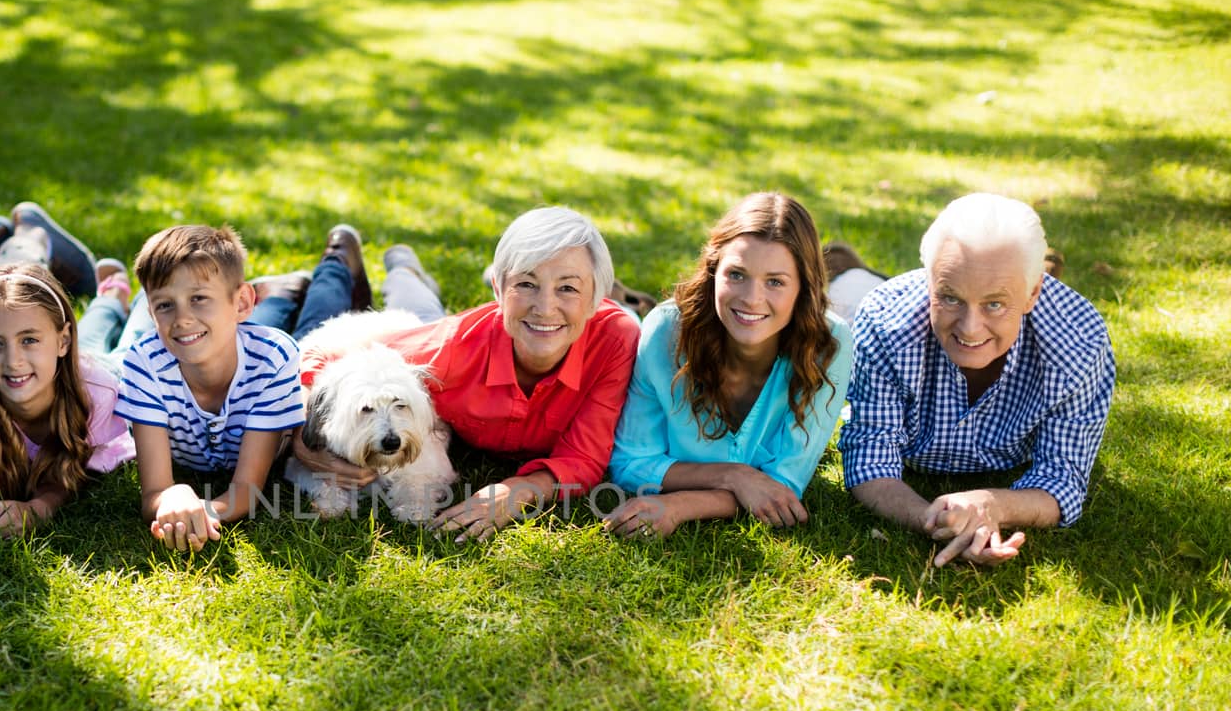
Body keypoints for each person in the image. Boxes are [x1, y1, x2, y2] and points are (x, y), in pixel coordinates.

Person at [292, 206, 641, 542]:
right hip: (428, 331)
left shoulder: (614, 340)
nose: (545, 308)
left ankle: (405, 269)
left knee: (422, 307)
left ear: (596, 298)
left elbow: (584, 457)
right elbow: (319, 355)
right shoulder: (449, 348)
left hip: (436, 329)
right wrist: (305, 443)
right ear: (498, 290)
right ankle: (357, 264)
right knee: (408, 313)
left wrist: (517, 490)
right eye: (526, 284)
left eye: (568, 287)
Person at [838, 192, 1116, 567]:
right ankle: (845, 267)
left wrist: (991, 504)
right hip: (863, 303)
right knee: (839, 296)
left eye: (994, 303)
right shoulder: (884, 319)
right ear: (929, 283)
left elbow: (1063, 478)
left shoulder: (1080, 341)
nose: (970, 328)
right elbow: (869, 459)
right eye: (949, 297)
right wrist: (939, 522)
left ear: (1034, 292)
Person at [605, 192, 852, 536]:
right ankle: (626, 300)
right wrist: (735, 476)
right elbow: (629, 461)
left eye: (775, 282)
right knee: (624, 321)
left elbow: (783, 486)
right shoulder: (665, 331)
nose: (751, 298)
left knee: (859, 295)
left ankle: (849, 270)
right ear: (713, 271)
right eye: (736, 274)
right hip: (662, 322)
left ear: (803, 288)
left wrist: (679, 506)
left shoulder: (829, 344)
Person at [115, 224, 305, 552]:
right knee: (230, 325)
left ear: (242, 302)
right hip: (227, 330)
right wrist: (173, 497)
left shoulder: (273, 358)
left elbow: (247, 487)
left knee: (304, 317)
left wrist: (203, 512)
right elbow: (153, 492)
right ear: (151, 313)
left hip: (248, 334)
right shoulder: (144, 363)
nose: (182, 318)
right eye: (164, 305)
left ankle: (321, 272)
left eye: (198, 298)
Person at [0, 263, 135, 536]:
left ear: (63, 340)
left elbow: (73, 472)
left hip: (108, 371)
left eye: (29, 340)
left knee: (132, 341)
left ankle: (127, 297)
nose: (13, 361)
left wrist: (40, 507)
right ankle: (111, 293)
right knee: (93, 335)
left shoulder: (97, 395)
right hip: (60, 367)